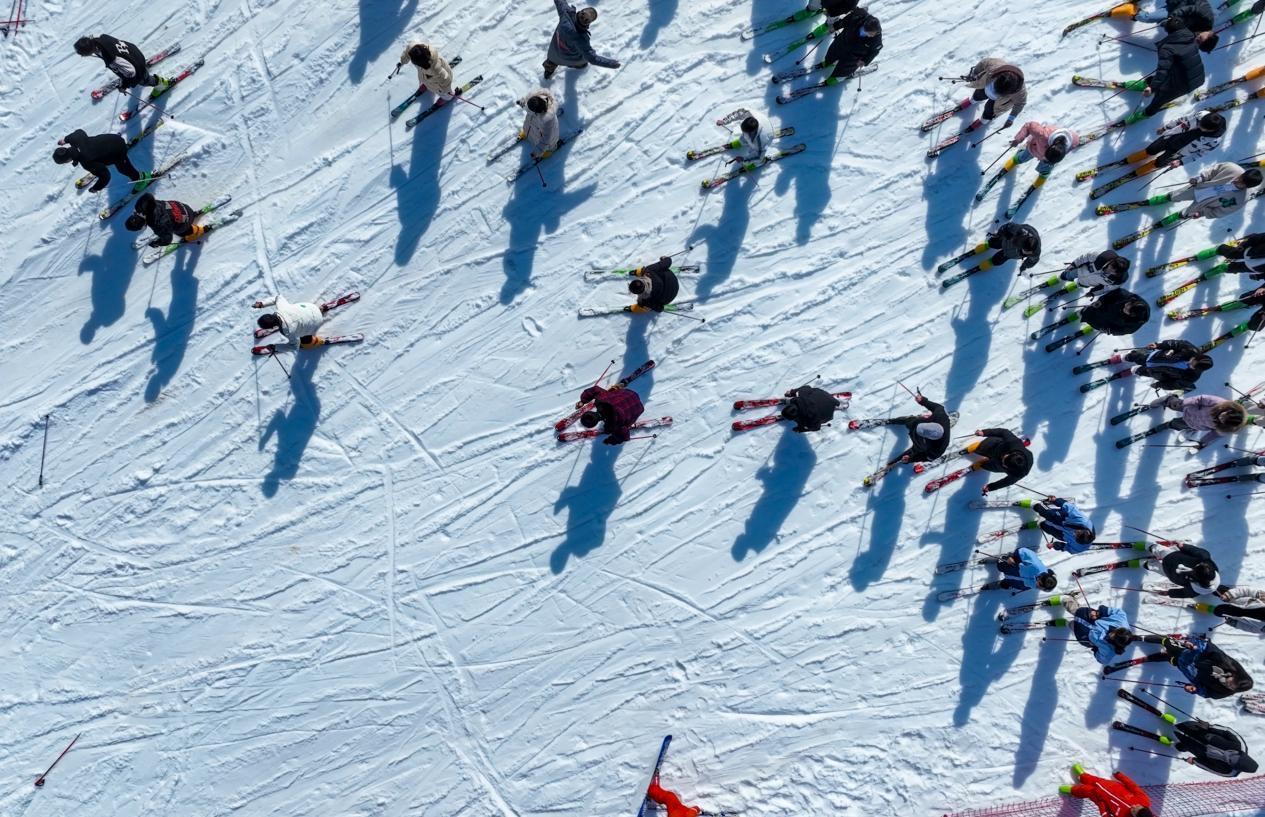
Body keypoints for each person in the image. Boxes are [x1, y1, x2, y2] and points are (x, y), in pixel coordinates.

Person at [1137, 19, 1212, 118]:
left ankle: (1148, 112)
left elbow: (1162, 71)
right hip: (1196, 76)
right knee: (1166, 78)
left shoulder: (1167, 48)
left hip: (1186, 83)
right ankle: (1150, 84)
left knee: (1160, 97)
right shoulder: (1190, 35)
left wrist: (1152, 87)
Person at [1137, 635, 1253, 698]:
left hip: (1188, 670)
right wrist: (1194, 645)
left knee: (1173, 660)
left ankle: (1164, 656)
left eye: (1232, 687)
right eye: (1232, 682)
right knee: (1167, 642)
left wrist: (1195, 690)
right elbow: (1208, 647)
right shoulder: (1225, 662)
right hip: (1190, 654)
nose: (1229, 684)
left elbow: (1206, 693)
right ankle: (1139, 638)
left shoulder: (1224, 692)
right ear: (1236, 675)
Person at [1121, 110, 1227, 177]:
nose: (1199, 127)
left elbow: (1200, 154)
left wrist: (1181, 162)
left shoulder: (1214, 140)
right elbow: (1182, 120)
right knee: (1150, 150)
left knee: (1158, 162)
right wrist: (1166, 127)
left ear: (1211, 130)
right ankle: (1128, 160)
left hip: (1178, 153)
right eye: (1199, 124)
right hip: (1170, 137)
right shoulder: (1201, 115)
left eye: (1203, 128)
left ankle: (1137, 172)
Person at [543, 1, 620, 80]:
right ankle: (577, 65)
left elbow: (560, 2)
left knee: (551, 61)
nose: (583, 18)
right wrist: (611, 64)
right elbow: (592, 59)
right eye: (584, 16)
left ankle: (548, 70)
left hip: (553, 52)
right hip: (569, 59)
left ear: (580, 12)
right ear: (588, 23)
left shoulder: (566, 14)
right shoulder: (581, 39)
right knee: (582, 62)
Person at [52, 128, 142, 193]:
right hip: (114, 138)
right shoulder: (76, 139)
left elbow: (106, 176)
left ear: (68, 160)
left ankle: (141, 179)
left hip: (118, 151)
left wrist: (96, 188)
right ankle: (119, 149)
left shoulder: (87, 163)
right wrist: (65, 140)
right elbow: (79, 132)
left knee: (123, 168)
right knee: (98, 154)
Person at [1164, 162, 1264, 220]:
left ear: (1247, 187)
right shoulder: (1231, 168)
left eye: (1241, 183)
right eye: (1241, 177)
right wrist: (1200, 178)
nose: (1237, 180)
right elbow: (1212, 171)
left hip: (1203, 206)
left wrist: (1202, 213)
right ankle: (1166, 198)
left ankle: (1178, 216)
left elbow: (1221, 211)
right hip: (1197, 189)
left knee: (1186, 213)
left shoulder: (1241, 199)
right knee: (1175, 195)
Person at [73, 34, 168, 91]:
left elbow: (131, 72)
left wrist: (125, 85)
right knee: (129, 67)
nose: (83, 56)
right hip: (134, 52)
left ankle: (161, 84)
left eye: (84, 54)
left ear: (90, 50)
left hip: (137, 66)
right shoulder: (101, 38)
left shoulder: (111, 59)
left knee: (144, 80)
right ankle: (141, 67)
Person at [1058, 764, 1153, 817]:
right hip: (1111, 786)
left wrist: (1102, 804)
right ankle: (1082, 776)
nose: (1134, 806)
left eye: (1134, 811)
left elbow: (1105, 815)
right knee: (1095, 780)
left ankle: (1072, 790)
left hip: (1101, 799)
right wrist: (1120, 776)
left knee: (1087, 790)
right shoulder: (1144, 800)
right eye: (1138, 806)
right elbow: (1133, 786)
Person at [963, 58, 1027, 131]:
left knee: (989, 111)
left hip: (999, 101)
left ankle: (983, 120)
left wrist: (1011, 118)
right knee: (978, 95)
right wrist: (974, 74)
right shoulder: (994, 66)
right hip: (986, 87)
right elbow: (983, 63)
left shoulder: (1020, 91)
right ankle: (972, 101)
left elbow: (1020, 103)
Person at [1123, 340, 1213, 392]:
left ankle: (1135, 370)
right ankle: (1125, 357)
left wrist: (1160, 384)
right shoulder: (1191, 350)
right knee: (1136, 357)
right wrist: (1159, 345)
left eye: (1192, 366)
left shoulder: (1192, 377)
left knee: (1142, 371)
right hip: (1155, 357)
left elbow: (1174, 385)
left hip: (1157, 373)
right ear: (1196, 357)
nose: (1189, 364)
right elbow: (1175, 344)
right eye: (1192, 361)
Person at [887, 393, 952, 464]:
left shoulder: (939, 448)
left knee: (918, 449)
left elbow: (926, 457)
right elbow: (937, 407)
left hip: (922, 443)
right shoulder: (941, 416)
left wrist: (911, 459)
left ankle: (909, 455)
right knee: (910, 420)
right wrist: (923, 401)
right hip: (920, 423)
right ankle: (890, 421)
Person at [253, 293, 336, 349]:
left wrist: (276, 347)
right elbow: (278, 297)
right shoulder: (282, 307)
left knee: (304, 342)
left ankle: (318, 341)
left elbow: (294, 346)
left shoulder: (288, 332)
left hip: (317, 321)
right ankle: (320, 309)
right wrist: (262, 303)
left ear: (272, 327)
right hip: (312, 307)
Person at [1145, 541, 1226, 598]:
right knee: (1158, 568)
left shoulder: (1204, 560)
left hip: (1172, 557)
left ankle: (1149, 549)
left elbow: (1197, 551)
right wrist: (1169, 593)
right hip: (1170, 573)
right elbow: (1184, 593)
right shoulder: (1196, 590)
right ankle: (1147, 564)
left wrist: (1182, 546)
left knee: (1159, 550)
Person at [1066, 599, 1135, 664]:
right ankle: (1064, 600)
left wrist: (1096, 649)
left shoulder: (1110, 650)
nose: (1111, 634)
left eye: (1113, 638)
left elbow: (1102, 660)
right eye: (1114, 632)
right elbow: (1119, 612)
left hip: (1084, 634)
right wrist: (1099, 613)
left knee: (1071, 625)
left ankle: (1066, 623)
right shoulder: (1121, 620)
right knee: (1072, 607)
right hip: (1087, 616)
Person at [1006, 121, 1079, 182]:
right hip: (1034, 148)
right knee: (1023, 157)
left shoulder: (1073, 143)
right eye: (1046, 159)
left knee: (1046, 167)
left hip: (1051, 157)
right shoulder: (1043, 135)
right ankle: (1017, 158)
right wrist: (1018, 139)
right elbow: (1029, 125)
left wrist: (1049, 161)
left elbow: (1075, 141)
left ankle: (1044, 174)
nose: (1044, 160)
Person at [577, 379, 645, 445]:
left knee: (609, 430)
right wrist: (583, 400)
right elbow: (595, 389)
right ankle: (617, 389)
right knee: (611, 396)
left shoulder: (614, 424)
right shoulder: (600, 400)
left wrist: (610, 440)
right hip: (628, 393)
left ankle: (617, 389)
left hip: (638, 407)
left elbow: (624, 436)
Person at [823, 7, 882, 81]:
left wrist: (865, 61)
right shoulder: (857, 16)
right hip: (842, 41)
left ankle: (837, 78)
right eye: (869, 33)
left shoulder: (876, 40)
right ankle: (828, 61)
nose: (871, 35)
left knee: (844, 68)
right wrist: (835, 27)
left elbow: (874, 51)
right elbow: (845, 21)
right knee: (832, 53)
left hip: (853, 56)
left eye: (873, 34)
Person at [966, 427, 1032, 494]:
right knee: (980, 448)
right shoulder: (1013, 443)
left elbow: (1006, 482)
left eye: (1004, 464)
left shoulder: (1019, 473)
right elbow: (1004, 432)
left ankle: (983, 464)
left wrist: (991, 487)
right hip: (997, 447)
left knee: (986, 466)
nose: (1002, 461)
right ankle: (980, 449)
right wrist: (984, 432)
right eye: (1005, 458)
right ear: (1011, 453)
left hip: (998, 465)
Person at [1151, 393, 1253, 435]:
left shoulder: (1223, 427)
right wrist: (1186, 403)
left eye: (1223, 420)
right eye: (1225, 414)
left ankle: (1170, 425)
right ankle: (1169, 399)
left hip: (1192, 423)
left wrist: (1200, 428)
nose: (1221, 417)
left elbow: (1212, 431)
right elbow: (1201, 398)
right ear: (1230, 410)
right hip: (1190, 408)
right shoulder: (1220, 403)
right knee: (1174, 405)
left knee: (1178, 424)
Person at [124, 194, 205, 246]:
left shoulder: (157, 226)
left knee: (180, 232)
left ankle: (198, 230)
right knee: (171, 220)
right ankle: (192, 214)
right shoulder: (145, 205)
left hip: (187, 219)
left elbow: (168, 240)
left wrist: (158, 243)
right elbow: (148, 195)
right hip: (184, 207)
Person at [1109, 0, 1216, 35]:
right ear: (1210, 35)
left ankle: (1131, 10)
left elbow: (1179, 29)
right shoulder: (1208, 18)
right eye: (1201, 39)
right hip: (1180, 4)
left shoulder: (1195, 34)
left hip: (1173, 9)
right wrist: (1173, 17)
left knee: (1147, 18)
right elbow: (1191, 9)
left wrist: (1168, 24)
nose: (1198, 38)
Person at [981, 546, 1058, 593]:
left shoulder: (1039, 584)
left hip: (1023, 580)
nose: (1039, 588)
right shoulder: (1035, 565)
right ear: (1040, 579)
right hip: (1016, 567)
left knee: (1012, 584)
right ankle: (1001, 558)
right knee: (1001, 566)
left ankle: (1005, 583)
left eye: (1042, 589)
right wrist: (1012, 557)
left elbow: (1046, 578)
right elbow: (1022, 551)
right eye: (1040, 586)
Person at [1081, 289, 1151, 336]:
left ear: (1131, 315)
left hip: (1107, 321)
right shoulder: (1130, 298)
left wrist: (1110, 331)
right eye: (1129, 304)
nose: (1125, 306)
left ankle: (1089, 323)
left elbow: (1122, 331)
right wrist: (1101, 301)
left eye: (1127, 309)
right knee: (1089, 311)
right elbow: (1117, 292)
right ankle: (1082, 314)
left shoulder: (1133, 325)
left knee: (1096, 322)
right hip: (1105, 306)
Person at [1198, 585, 1265, 634]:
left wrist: (1235, 623)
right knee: (1220, 590)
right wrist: (1229, 595)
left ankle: (1203, 607)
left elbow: (1251, 628)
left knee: (1218, 611)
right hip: (1236, 598)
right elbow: (1246, 591)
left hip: (1236, 613)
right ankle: (1205, 585)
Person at [1061, 250, 1130, 297]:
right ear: (1112, 261)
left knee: (1082, 284)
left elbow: (1106, 288)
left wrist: (1093, 293)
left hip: (1089, 283)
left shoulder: (1117, 281)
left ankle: (1077, 285)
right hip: (1079, 271)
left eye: (1117, 271)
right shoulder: (1100, 257)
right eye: (1113, 266)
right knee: (1068, 275)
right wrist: (1073, 265)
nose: (1112, 270)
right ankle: (1062, 277)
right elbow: (1084, 258)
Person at [517, 88, 560, 159]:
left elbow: (546, 140)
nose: (527, 110)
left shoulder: (547, 121)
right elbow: (527, 104)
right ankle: (526, 133)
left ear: (537, 112)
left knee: (548, 144)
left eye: (529, 110)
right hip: (531, 124)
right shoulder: (536, 99)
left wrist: (538, 151)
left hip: (547, 140)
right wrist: (522, 102)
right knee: (529, 126)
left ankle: (551, 150)